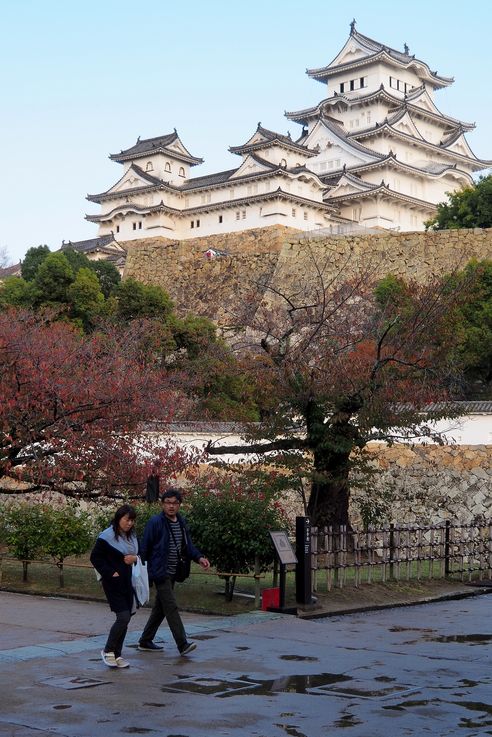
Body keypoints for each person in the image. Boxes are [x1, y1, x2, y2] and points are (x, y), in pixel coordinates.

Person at [138, 487, 210, 655]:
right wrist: (143, 572)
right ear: (162, 504)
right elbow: (144, 547)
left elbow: (187, 547)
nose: (171, 506)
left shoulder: (182, 522)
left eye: (174, 503)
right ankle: (182, 644)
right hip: (159, 572)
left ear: (179, 505)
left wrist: (199, 558)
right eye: (167, 503)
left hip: (174, 572)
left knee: (161, 608)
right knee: (171, 607)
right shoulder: (155, 522)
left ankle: (145, 640)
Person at [90, 504, 139, 669]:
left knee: (126, 618)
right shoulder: (107, 536)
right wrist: (110, 573)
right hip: (113, 582)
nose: (129, 523)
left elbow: (139, 555)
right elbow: (95, 558)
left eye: (132, 520)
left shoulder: (131, 537)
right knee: (123, 617)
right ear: (119, 518)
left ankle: (117, 654)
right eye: (127, 519)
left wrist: (135, 558)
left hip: (128, 581)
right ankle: (108, 650)